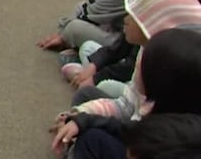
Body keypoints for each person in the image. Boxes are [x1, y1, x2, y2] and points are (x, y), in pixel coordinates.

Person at [62, 0, 201, 96]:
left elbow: (134, 65)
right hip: (130, 64)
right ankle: (85, 71)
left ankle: (85, 77)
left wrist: (96, 78)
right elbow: (123, 43)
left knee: (106, 87)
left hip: (145, 83)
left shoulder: (172, 21)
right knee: (89, 47)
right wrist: (95, 65)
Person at [51, 27, 201, 159]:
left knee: (91, 138)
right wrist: (81, 120)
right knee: (88, 108)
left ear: (161, 81)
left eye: (144, 63)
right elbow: (130, 127)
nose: (137, 66)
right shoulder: (172, 115)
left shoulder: (174, 141)